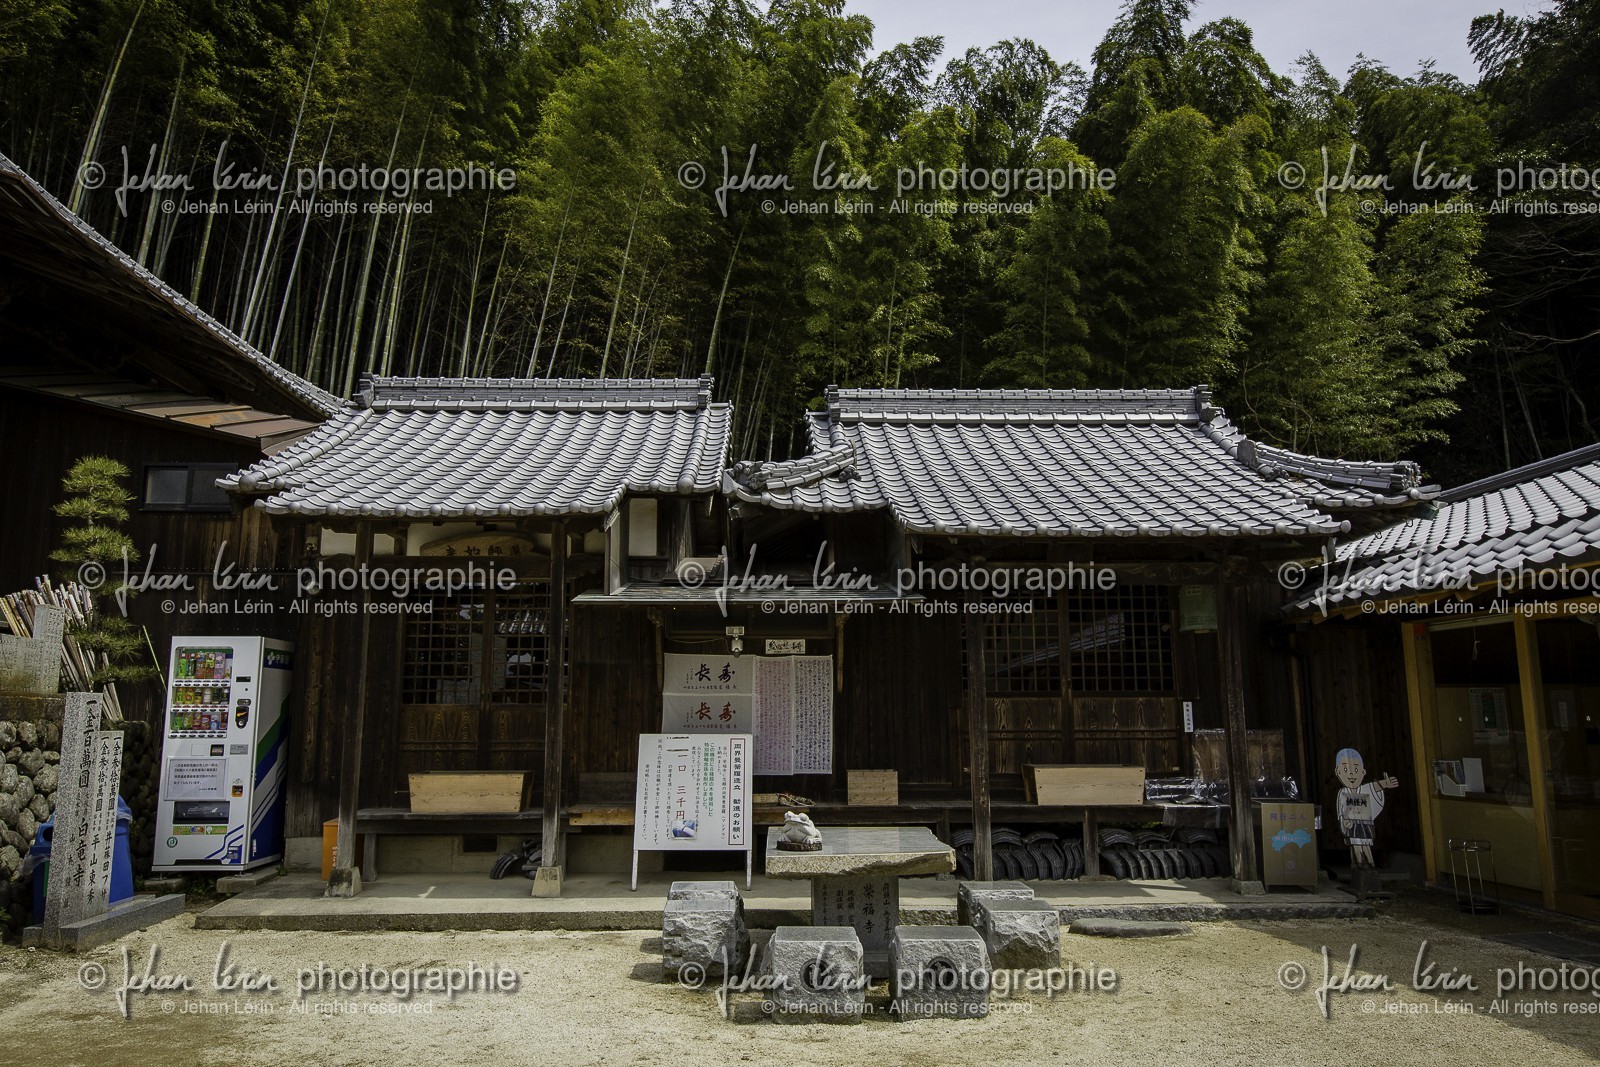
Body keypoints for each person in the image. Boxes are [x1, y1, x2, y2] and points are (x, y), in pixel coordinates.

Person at [1335, 748, 1398, 868]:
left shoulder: (1364, 789)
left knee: (1366, 843)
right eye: (1345, 769)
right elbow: (1340, 810)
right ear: (1338, 772)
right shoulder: (1343, 792)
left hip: (1365, 824)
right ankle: (1359, 864)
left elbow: (1374, 787)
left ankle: (1370, 864)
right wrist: (1344, 820)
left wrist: (1385, 783)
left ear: (1363, 772)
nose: (1352, 774)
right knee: (1356, 843)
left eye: (1356, 769)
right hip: (1351, 825)